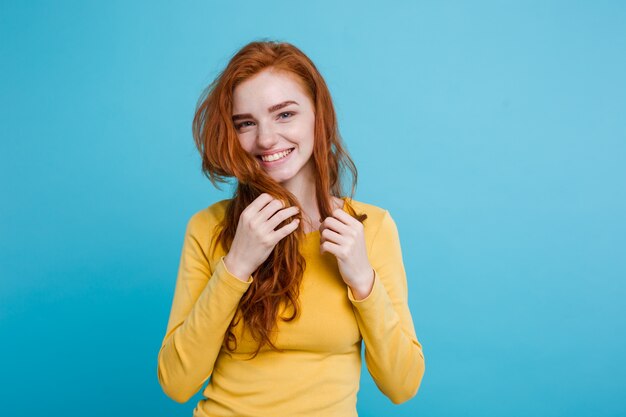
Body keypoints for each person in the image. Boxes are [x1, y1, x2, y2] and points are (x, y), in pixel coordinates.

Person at [157, 40, 425, 417]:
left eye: (284, 114)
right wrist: (236, 266)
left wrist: (363, 280)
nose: (265, 139)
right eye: (246, 123)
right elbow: (176, 382)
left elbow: (402, 385)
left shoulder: (371, 228)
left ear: (319, 116)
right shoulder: (208, 228)